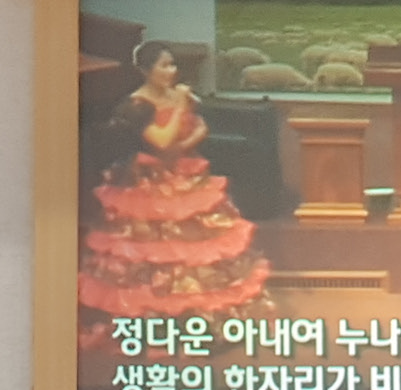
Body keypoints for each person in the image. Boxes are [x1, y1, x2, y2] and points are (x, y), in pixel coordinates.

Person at [77, 41, 272, 346]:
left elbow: (199, 129)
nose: (172, 71)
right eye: (164, 65)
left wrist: (188, 130)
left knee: (199, 249)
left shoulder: (177, 95)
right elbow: (163, 142)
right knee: (154, 252)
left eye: (173, 64)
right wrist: (181, 112)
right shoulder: (136, 105)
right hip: (150, 186)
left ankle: (196, 321)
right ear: (145, 70)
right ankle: (155, 323)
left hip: (188, 178)